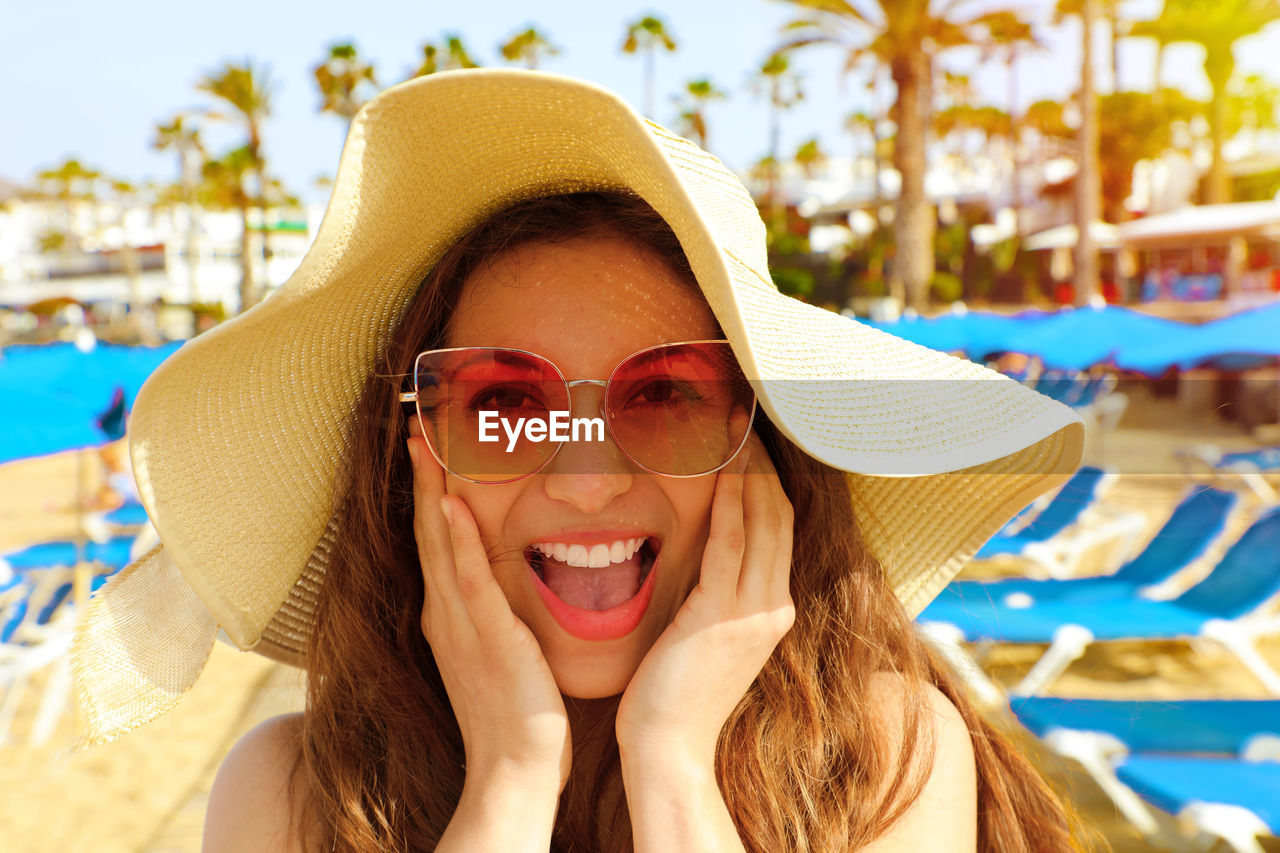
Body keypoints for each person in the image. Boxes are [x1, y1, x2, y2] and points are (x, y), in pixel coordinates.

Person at [72, 70, 1085, 852]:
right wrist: (507, 783)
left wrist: (673, 767)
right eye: (507, 400)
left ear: (760, 451)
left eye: (662, 394)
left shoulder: (876, 762)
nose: (587, 475)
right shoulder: (290, 791)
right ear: (409, 457)